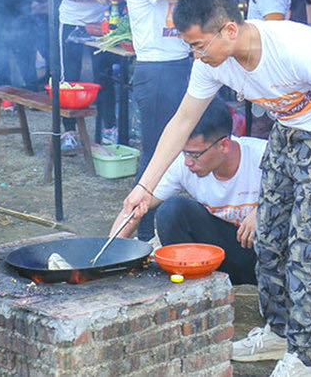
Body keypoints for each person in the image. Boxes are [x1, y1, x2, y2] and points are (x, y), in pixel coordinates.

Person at [118, 0, 311, 377]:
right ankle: (278, 331)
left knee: (308, 246)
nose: (197, 55)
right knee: (271, 238)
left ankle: (305, 356)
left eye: (199, 45)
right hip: (287, 131)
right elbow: (182, 122)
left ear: (229, 29)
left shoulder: (297, 47)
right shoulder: (212, 63)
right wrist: (143, 188)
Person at [110, 101, 262, 285]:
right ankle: (197, 285)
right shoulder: (184, 163)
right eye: (185, 153)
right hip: (222, 251)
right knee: (172, 210)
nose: (188, 162)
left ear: (224, 145)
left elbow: (302, 198)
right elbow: (137, 207)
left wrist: (264, 210)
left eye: (195, 155)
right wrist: (109, 253)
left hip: (262, 256)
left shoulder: (262, 155)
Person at [125, 0, 206, 241]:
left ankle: (158, 227)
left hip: (177, 68)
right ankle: (144, 234)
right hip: (156, 73)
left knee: (175, 150)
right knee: (156, 154)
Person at [58, 0, 129, 150]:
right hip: (72, 21)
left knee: (104, 77)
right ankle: (69, 132)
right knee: (71, 78)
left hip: (102, 25)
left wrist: (119, 0)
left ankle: (109, 128)